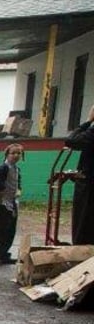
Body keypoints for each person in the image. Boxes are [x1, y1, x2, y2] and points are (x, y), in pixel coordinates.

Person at [65, 105, 94, 246]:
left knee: (83, 221)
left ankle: (81, 252)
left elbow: (71, 140)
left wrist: (88, 121)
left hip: (88, 182)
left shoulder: (92, 132)